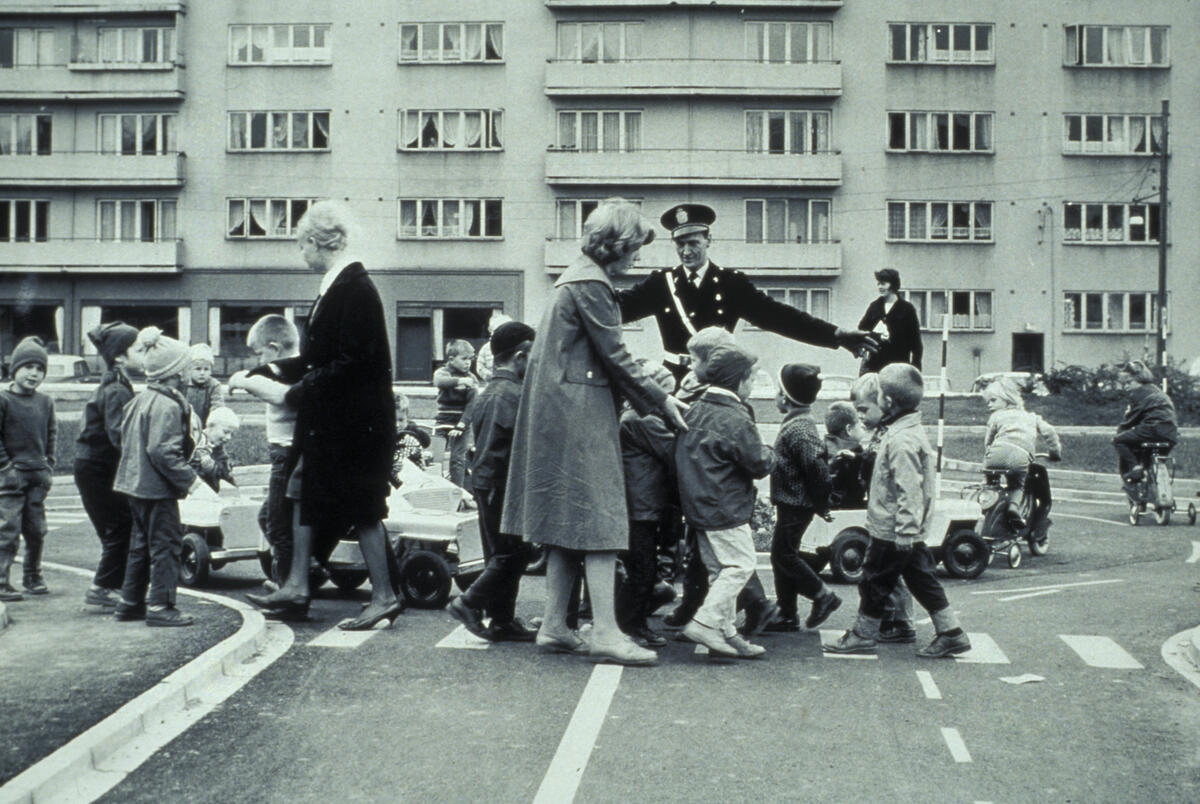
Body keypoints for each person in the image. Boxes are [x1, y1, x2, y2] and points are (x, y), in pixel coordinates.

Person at [502, 198, 688, 667]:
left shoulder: (577, 276)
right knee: (603, 521)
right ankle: (605, 631)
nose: (638, 257)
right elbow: (617, 355)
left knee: (566, 523)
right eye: (636, 247)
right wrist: (662, 401)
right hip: (578, 411)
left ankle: (555, 625)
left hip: (561, 408)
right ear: (618, 244)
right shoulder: (592, 283)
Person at [246, 200, 401, 630]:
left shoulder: (354, 288)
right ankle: (296, 582)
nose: (302, 255)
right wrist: (272, 369)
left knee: (364, 507)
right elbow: (320, 359)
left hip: (356, 425)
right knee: (303, 488)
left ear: (315, 242)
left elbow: (353, 361)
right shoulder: (340, 285)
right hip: (341, 423)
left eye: (302, 246)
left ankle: (385, 596)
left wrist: (297, 390)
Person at [616, 203, 876, 381]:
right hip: (673, 380)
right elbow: (617, 308)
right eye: (680, 244)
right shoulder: (662, 283)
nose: (686, 251)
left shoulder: (731, 283)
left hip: (717, 380)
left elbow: (779, 317)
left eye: (693, 243)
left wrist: (837, 335)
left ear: (708, 240)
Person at [827, 364, 971, 658]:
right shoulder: (901, 431)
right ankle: (952, 632)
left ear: (888, 402)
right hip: (901, 527)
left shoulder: (901, 440)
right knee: (922, 579)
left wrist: (905, 530)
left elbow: (910, 490)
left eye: (878, 392)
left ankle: (863, 635)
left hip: (893, 528)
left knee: (873, 580)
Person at [662, 325, 778, 635]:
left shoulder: (694, 407)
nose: (753, 385)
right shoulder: (736, 416)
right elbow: (758, 463)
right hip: (726, 506)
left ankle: (725, 633)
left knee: (717, 572)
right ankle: (705, 624)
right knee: (738, 567)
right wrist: (771, 451)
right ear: (739, 380)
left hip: (698, 505)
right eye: (752, 379)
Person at [448, 321, 538, 642]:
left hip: (489, 484)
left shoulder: (492, 392)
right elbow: (500, 450)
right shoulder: (510, 394)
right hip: (502, 485)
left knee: (503, 552)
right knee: (513, 552)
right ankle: (469, 602)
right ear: (520, 356)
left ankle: (502, 620)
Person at [112, 328, 198, 627]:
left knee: (140, 546)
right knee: (166, 546)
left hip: (135, 485)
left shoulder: (140, 400)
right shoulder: (169, 405)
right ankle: (161, 606)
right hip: (158, 490)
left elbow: (124, 438)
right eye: (185, 366)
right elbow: (163, 451)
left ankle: (129, 602)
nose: (188, 372)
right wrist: (191, 480)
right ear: (174, 372)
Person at [764, 363, 842, 634]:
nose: (775, 396)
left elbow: (817, 468)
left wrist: (822, 502)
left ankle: (822, 595)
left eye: (777, 391)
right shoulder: (798, 425)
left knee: (784, 555)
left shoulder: (799, 429)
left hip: (797, 503)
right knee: (781, 555)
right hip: (792, 503)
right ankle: (787, 614)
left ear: (785, 398)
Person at [229, 314, 299, 589]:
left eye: (259, 354)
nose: (258, 361)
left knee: (277, 523)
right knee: (270, 517)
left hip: (286, 453)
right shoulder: (291, 367)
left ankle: (287, 586)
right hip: (288, 453)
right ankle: (299, 574)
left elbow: (280, 396)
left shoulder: (286, 370)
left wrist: (241, 379)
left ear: (274, 348)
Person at [76, 322, 141, 609]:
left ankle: (113, 585)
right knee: (119, 526)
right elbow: (119, 436)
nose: (145, 354)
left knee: (119, 527)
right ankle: (101, 588)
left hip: (97, 465)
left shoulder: (119, 383)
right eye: (139, 350)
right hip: (97, 467)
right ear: (120, 357)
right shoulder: (116, 389)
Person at [615, 360, 678, 648]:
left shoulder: (633, 416)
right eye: (666, 393)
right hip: (641, 507)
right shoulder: (644, 421)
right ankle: (632, 626)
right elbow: (674, 452)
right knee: (643, 569)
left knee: (643, 568)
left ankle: (631, 621)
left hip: (639, 505)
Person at [851, 372, 914, 643]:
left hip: (890, 519)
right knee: (889, 573)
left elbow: (903, 484)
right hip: (881, 515)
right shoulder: (880, 434)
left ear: (884, 404)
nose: (860, 416)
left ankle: (897, 622)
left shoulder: (892, 437)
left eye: (864, 409)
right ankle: (893, 619)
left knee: (882, 573)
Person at [0, 337, 56, 601]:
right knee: (7, 532)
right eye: (28, 367)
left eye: (40, 368)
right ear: (15, 369)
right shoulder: (3, 400)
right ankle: (1, 581)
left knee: (36, 530)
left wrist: (49, 465)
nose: (34, 373)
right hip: (10, 476)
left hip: (38, 475)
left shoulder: (46, 402)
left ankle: (32, 575)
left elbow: (52, 434)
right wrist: (6, 467)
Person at [982, 377, 1062, 529]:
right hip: (1019, 457)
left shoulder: (996, 417)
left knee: (991, 484)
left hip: (994, 456)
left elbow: (988, 441)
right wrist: (1054, 453)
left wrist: (988, 453)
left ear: (1007, 399)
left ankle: (987, 508)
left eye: (993, 400)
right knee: (1017, 485)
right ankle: (1013, 507)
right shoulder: (1031, 417)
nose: (989, 405)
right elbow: (1050, 432)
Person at [1113, 360, 1179, 485]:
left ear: (1140, 380)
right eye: (1124, 384)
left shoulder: (1138, 394)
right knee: (1150, 461)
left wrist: (1120, 431)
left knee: (1119, 440)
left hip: (1152, 430)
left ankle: (1134, 468)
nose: (1126, 387)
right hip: (1170, 434)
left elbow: (1130, 420)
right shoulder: (1157, 391)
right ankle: (1154, 484)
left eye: (1129, 383)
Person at [856, 268, 922, 375]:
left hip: (899, 365)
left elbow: (915, 341)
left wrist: (915, 368)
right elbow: (862, 330)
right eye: (878, 284)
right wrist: (876, 336)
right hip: (875, 364)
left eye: (883, 284)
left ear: (893, 284)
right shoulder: (874, 307)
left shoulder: (907, 309)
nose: (880, 287)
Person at [433, 339, 479, 490]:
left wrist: (462, 425)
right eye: (464, 359)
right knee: (436, 458)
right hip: (442, 421)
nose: (468, 363)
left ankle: (457, 492)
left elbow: (471, 405)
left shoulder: (472, 379)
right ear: (451, 359)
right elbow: (439, 381)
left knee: (457, 459)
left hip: (460, 423)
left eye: (470, 359)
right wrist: (460, 381)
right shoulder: (443, 372)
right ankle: (436, 489)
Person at [189, 406, 239, 493]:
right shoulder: (194, 444)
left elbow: (226, 474)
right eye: (226, 432)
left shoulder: (218, 449)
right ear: (210, 426)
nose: (228, 437)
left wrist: (213, 469)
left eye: (231, 434)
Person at [391, 391, 432, 482]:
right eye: (392, 420)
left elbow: (426, 442)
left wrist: (413, 429)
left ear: (407, 418)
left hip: (412, 474)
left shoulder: (411, 431)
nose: (397, 424)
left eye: (401, 420)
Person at [184, 342, 226, 426]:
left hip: (206, 424)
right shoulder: (183, 384)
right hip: (185, 424)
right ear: (189, 370)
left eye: (206, 369)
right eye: (198, 369)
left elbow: (217, 404)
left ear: (211, 370)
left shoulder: (214, 385)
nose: (202, 373)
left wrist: (215, 418)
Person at [474, 311, 512, 383]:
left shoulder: (513, 347)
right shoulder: (486, 348)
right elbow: (480, 365)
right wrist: (487, 375)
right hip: (491, 382)